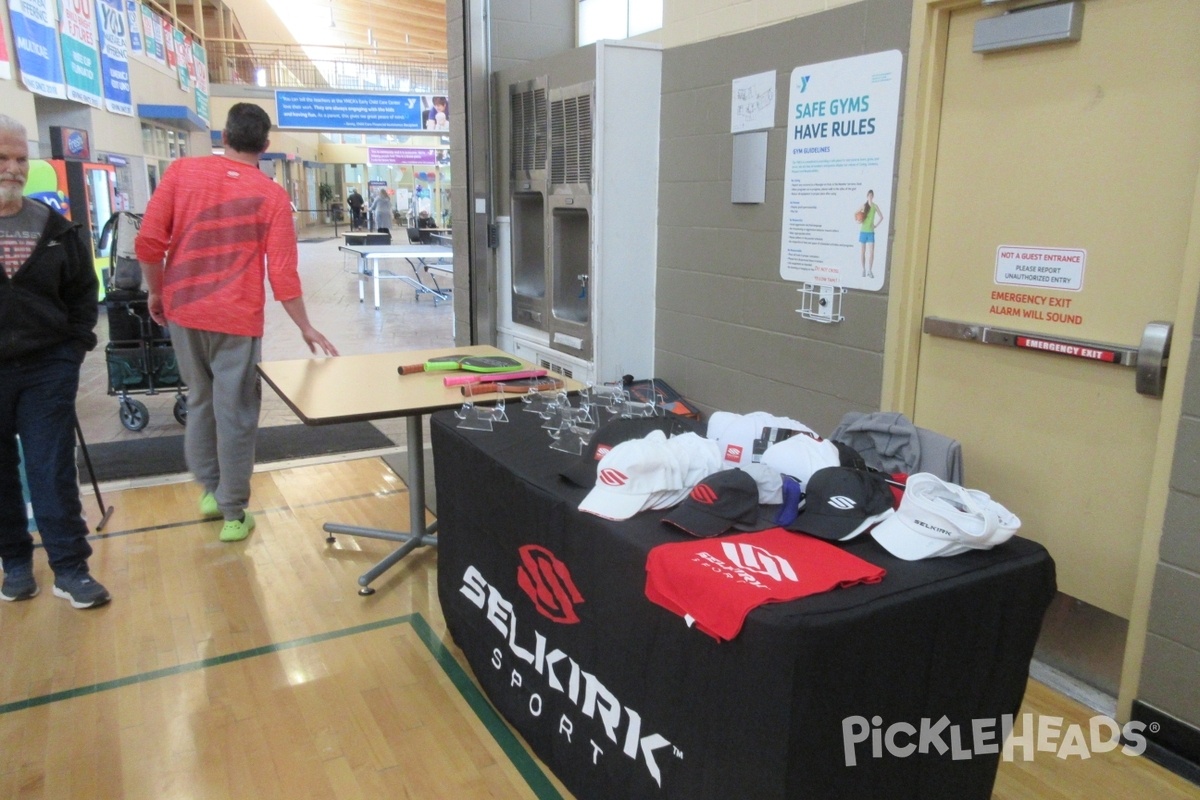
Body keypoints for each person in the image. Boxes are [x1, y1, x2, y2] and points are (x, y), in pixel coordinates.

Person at [135, 103, 339, 543]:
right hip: (236, 321)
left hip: (184, 312)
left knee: (201, 401)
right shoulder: (271, 196)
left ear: (223, 137)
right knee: (237, 413)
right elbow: (283, 274)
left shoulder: (180, 173)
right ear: (265, 147)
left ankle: (210, 492)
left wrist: (157, 291)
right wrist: (304, 325)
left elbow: (148, 243)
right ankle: (233, 512)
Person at [0, 114, 110, 608]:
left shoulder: (54, 227)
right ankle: (15, 563)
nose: (14, 168)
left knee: (51, 471)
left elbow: (83, 294)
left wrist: (72, 351)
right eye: (3, 158)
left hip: (47, 369)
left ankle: (70, 568)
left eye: (21, 158)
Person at [856, 189, 884, 279]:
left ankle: (870, 270)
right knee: (863, 252)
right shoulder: (864, 206)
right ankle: (863, 269)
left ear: (873, 196)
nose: (870, 197)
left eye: (871, 195)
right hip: (863, 231)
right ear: (867, 196)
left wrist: (875, 225)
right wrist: (859, 221)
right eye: (869, 195)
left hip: (871, 232)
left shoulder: (875, 206)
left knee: (871, 252)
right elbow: (856, 214)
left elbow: (881, 217)